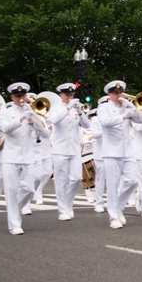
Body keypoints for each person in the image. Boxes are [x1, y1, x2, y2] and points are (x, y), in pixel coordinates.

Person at [0, 82, 50, 234]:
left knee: (29, 189)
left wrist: (35, 121)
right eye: (18, 96)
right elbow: (6, 128)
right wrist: (22, 117)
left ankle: (14, 212)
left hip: (28, 157)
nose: (21, 99)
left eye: (23, 95)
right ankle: (14, 224)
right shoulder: (5, 112)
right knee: (11, 190)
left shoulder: (32, 111)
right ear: (12, 97)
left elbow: (46, 134)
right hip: (11, 157)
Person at [96, 81, 142, 228]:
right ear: (109, 94)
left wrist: (133, 109)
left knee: (132, 180)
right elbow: (105, 122)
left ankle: (118, 207)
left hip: (127, 150)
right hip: (112, 151)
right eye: (116, 93)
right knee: (112, 185)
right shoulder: (103, 107)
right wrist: (124, 116)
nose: (119, 95)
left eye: (120, 93)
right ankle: (113, 217)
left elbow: (141, 120)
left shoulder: (126, 106)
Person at [49, 83, 91, 221]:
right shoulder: (56, 109)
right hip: (59, 149)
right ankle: (62, 209)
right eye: (67, 95)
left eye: (72, 95)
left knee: (76, 178)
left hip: (73, 149)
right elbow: (54, 121)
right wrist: (68, 107)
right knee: (61, 180)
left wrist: (80, 112)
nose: (70, 97)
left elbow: (86, 125)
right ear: (61, 95)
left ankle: (68, 203)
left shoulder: (75, 110)